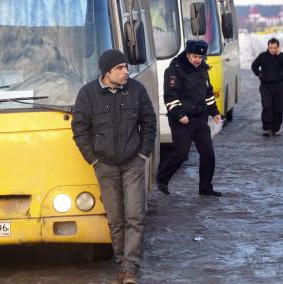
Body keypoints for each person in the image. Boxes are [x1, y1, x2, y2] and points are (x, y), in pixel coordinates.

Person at [71, 49, 157, 284]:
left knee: (135, 215)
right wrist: (94, 159)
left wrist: (142, 154)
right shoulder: (88, 94)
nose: (125, 72)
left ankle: (130, 267)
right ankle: (121, 260)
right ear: (107, 72)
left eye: (126, 67)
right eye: (120, 68)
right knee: (116, 218)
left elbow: (149, 122)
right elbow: (79, 129)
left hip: (132, 163)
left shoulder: (136, 90)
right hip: (105, 165)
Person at [156, 40, 222, 197]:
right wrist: (180, 115)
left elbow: (208, 93)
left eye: (200, 57)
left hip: (200, 118)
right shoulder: (174, 70)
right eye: (194, 56)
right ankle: (162, 179)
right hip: (181, 119)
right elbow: (170, 96)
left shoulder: (203, 70)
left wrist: (214, 112)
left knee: (208, 154)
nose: (197, 60)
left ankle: (205, 187)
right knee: (181, 152)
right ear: (187, 54)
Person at [251, 37, 283, 136]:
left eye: (275, 48)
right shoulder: (263, 56)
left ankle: (276, 128)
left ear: (278, 48)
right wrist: (259, 75)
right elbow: (254, 66)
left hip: (279, 86)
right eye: (271, 48)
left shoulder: (281, 56)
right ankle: (267, 128)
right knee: (267, 107)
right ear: (268, 47)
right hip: (266, 86)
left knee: (278, 108)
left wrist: (279, 56)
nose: (273, 50)